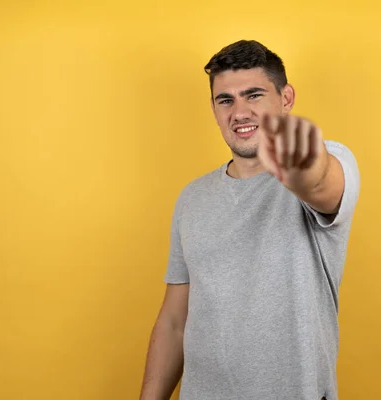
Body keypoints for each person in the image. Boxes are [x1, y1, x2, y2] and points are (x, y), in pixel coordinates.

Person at [139, 40, 360, 400]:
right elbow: (174, 323)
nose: (239, 112)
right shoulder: (192, 198)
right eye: (225, 100)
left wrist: (302, 165)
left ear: (286, 99)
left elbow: (319, 183)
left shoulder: (332, 159)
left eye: (253, 95)